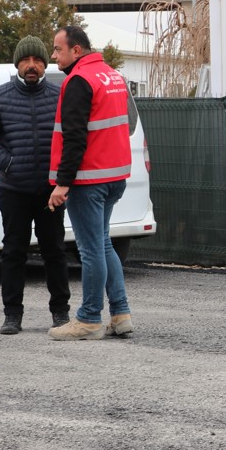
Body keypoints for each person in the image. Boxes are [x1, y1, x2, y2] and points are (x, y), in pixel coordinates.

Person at [0, 36, 70, 335]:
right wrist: (8, 162)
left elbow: (71, 136)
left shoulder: (59, 95)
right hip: (14, 190)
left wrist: (63, 177)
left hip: (51, 192)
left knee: (54, 251)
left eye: (37, 60)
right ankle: (12, 315)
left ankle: (60, 313)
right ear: (17, 64)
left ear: (44, 64)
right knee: (14, 251)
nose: (31, 66)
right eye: (26, 60)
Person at [47, 26, 135, 340]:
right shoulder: (112, 76)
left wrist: (62, 183)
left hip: (89, 179)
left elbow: (74, 138)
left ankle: (88, 320)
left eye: (58, 49)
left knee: (91, 250)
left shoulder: (78, 81)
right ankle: (121, 314)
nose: (53, 55)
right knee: (103, 243)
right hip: (114, 176)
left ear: (77, 51)